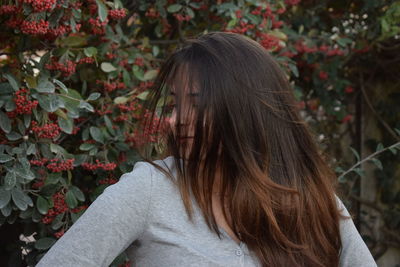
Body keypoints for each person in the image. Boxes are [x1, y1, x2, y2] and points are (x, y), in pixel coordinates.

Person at [36, 32, 377, 267]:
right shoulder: (149, 189)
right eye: (174, 104)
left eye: (197, 104)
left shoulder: (311, 200)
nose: (174, 121)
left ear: (246, 110)